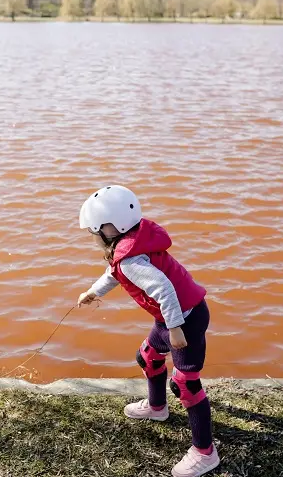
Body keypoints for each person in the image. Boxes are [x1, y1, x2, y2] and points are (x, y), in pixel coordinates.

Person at [77, 185, 219, 477]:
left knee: (186, 385)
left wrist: (177, 329)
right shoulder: (133, 242)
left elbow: (164, 289)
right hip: (170, 317)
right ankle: (157, 408)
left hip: (185, 318)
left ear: (109, 229)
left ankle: (205, 452)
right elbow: (113, 273)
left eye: (94, 232)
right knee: (149, 356)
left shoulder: (130, 260)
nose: (93, 238)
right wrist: (93, 291)